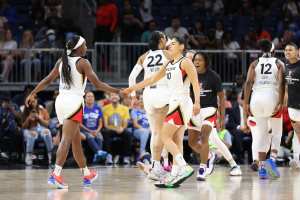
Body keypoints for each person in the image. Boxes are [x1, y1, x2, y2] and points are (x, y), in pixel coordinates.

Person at [25, 35, 119, 189]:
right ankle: (56, 174)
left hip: (61, 102)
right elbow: (98, 84)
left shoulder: (62, 61)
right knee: (66, 140)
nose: (87, 48)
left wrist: (33, 92)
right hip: (74, 102)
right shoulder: (83, 62)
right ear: (78, 48)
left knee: (76, 141)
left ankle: (87, 173)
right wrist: (118, 91)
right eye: (85, 45)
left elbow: (48, 80)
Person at [124, 36, 201, 188]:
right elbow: (152, 79)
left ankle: (183, 166)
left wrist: (197, 102)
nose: (169, 45)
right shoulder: (168, 63)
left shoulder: (185, 61)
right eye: (168, 43)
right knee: (177, 138)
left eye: (173, 43)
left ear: (181, 46)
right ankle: (175, 173)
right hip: (173, 102)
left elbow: (195, 83)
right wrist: (133, 88)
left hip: (181, 102)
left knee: (164, 135)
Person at [186, 51, 241, 181]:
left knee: (205, 138)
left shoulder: (213, 76)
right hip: (194, 112)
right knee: (193, 142)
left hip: (209, 111)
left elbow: (221, 97)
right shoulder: (189, 75)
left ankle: (202, 168)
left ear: (206, 61)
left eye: (199, 60)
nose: (196, 62)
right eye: (195, 60)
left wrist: (221, 117)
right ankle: (217, 158)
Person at [128, 31, 171, 181]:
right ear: (161, 41)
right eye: (165, 39)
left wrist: (133, 96)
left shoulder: (143, 56)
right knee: (163, 133)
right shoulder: (167, 53)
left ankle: (160, 164)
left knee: (155, 132)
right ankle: (159, 165)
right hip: (163, 93)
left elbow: (132, 77)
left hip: (147, 95)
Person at [244, 39, 285, 179]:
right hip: (271, 98)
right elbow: (281, 83)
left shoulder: (254, 63)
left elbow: (248, 82)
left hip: (256, 99)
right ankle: (272, 161)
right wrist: (280, 101)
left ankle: (262, 169)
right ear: (273, 51)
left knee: (261, 135)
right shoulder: (279, 63)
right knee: (277, 132)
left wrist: (246, 103)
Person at [22, 94, 53, 166]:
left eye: (34, 101)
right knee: (31, 134)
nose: (32, 103)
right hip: (29, 130)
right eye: (31, 101)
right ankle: (29, 155)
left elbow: (47, 124)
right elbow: (23, 127)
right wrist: (28, 119)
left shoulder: (42, 109)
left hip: (41, 129)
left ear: (36, 100)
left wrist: (39, 118)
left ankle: (50, 155)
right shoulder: (25, 110)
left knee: (47, 132)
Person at [102, 93, 132, 165]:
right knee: (105, 132)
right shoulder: (105, 108)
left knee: (128, 133)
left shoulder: (125, 108)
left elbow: (125, 123)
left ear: (119, 98)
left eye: (116, 95)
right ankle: (109, 156)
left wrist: (122, 128)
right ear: (109, 98)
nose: (114, 96)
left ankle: (126, 157)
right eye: (112, 95)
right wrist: (115, 129)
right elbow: (106, 125)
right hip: (110, 129)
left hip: (121, 129)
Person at [81, 91, 110, 164]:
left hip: (96, 130)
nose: (90, 98)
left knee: (99, 136)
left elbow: (100, 122)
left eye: (92, 96)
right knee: (90, 136)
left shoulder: (98, 108)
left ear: (94, 98)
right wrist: (89, 130)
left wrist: (97, 130)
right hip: (85, 130)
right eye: (88, 96)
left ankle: (97, 155)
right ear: (85, 99)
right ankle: (99, 152)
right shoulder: (82, 108)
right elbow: (79, 124)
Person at [284, 42, 300, 169]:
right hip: (292, 106)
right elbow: (286, 88)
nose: (287, 52)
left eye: (290, 50)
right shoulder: (286, 67)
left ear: (297, 51)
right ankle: (296, 158)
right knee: (296, 132)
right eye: (286, 50)